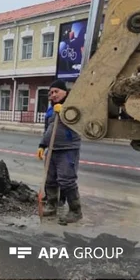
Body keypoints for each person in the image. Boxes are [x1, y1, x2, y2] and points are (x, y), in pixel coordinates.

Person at [36, 79, 82, 224]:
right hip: (52, 150)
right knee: (50, 180)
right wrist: (42, 145)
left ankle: (75, 211)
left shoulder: (74, 106)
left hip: (68, 150)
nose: (53, 95)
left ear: (65, 92)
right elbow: (47, 130)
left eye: (56, 91)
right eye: (51, 93)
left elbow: (79, 121)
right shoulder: (50, 109)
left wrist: (65, 111)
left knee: (67, 181)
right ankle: (51, 205)